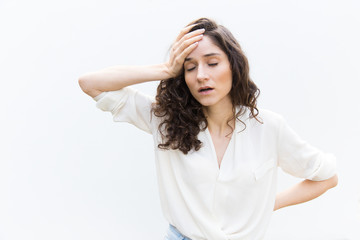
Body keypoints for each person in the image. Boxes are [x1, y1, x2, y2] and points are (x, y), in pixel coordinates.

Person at [78, 18, 338, 240]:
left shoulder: (269, 128)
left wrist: (264, 205)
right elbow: (90, 83)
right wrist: (166, 69)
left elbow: (327, 177)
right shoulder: (165, 120)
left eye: (212, 63)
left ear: (233, 67)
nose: (201, 75)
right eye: (190, 67)